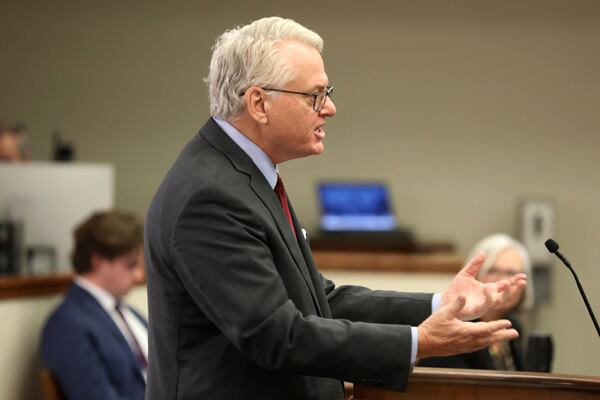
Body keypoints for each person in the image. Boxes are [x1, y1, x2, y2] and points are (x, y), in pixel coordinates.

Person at [144, 17, 527, 400]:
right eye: (314, 95)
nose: (330, 108)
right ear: (259, 102)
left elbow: (320, 299)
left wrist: (441, 304)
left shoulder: (246, 176)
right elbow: (276, 335)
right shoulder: (211, 194)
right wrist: (418, 342)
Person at [41, 210, 147, 400]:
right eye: (130, 265)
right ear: (97, 262)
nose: (139, 276)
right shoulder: (67, 325)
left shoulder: (131, 314)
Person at [419, 234, 534, 371]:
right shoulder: (454, 325)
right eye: (493, 270)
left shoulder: (513, 326)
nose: (503, 281)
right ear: (475, 276)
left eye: (511, 273)